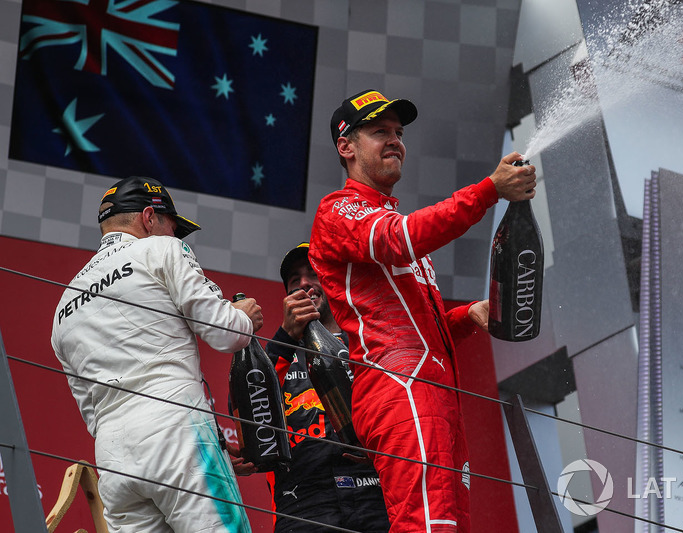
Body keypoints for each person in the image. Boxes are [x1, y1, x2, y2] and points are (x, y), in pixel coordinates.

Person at [308, 89, 537, 532]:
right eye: (379, 132)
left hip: (435, 395)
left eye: (398, 132)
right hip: (399, 389)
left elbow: (417, 331)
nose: (395, 140)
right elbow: (398, 241)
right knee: (426, 526)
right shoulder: (339, 211)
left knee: (446, 527)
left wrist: (469, 316)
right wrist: (488, 191)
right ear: (346, 147)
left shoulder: (393, 221)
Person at [51, 176, 263, 533]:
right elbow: (224, 333)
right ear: (149, 217)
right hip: (176, 427)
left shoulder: (62, 308)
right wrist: (244, 316)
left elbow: (89, 411)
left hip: (113, 454)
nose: (174, 236)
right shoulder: (161, 250)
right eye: (171, 227)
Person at [260, 242, 390, 532]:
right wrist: (285, 338)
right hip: (304, 505)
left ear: (332, 281)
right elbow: (247, 412)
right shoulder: (273, 354)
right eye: (295, 280)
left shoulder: (369, 345)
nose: (304, 283)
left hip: (376, 496)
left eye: (313, 274)